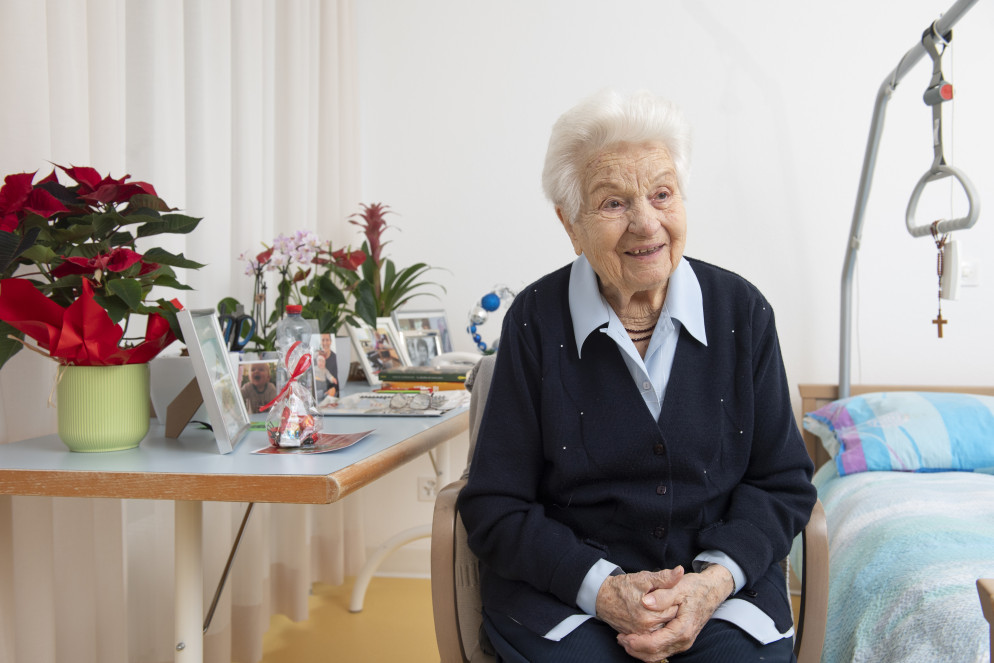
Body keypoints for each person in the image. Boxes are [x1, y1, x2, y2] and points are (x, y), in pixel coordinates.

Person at [458, 90, 816, 663]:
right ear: (570, 225)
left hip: (720, 593)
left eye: (662, 194)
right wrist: (600, 588)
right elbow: (495, 503)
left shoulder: (741, 312)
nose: (646, 223)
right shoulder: (533, 321)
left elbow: (782, 484)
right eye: (613, 203)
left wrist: (711, 583)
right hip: (567, 593)